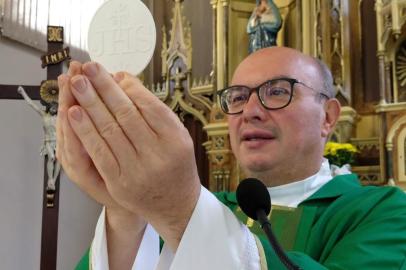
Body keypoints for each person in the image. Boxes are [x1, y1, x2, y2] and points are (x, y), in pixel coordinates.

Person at [56, 47, 406, 270]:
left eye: (278, 91)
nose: (250, 111)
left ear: (328, 116)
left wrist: (181, 212)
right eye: (237, 97)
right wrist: (124, 211)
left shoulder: (385, 211)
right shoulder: (209, 207)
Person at [18, 86, 61, 194]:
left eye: (55, 109)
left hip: (58, 142)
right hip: (48, 141)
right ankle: (50, 179)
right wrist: (23, 93)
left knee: (59, 160)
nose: (53, 110)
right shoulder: (44, 115)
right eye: (52, 108)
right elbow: (32, 104)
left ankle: (52, 182)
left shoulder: (59, 117)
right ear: (49, 108)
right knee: (51, 157)